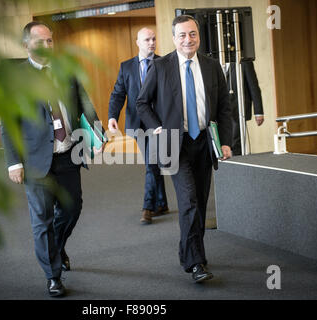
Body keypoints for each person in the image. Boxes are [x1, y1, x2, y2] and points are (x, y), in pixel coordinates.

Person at [1, 21, 103, 297]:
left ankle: (55, 248)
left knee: (72, 208)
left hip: (68, 154)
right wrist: (14, 162)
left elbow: (84, 104)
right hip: (35, 160)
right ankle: (53, 275)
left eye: (50, 41)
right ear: (26, 45)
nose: (47, 46)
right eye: (40, 42)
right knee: (42, 219)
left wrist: (98, 133)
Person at [136, 15, 232, 283]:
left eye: (192, 34)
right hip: (175, 145)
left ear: (198, 36)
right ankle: (196, 263)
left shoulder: (213, 67)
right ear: (174, 38)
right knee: (188, 201)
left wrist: (225, 141)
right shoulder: (161, 66)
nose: (188, 40)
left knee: (199, 203)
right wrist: (156, 127)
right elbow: (142, 103)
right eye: (182, 35)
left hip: (204, 142)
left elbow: (224, 107)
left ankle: (188, 252)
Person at [108, 27, 169, 225]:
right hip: (137, 123)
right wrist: (112, 116)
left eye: (153, 39)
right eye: (146, 40)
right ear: (137, 42)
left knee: (151, 163)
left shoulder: (164, 63)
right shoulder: (126, 67)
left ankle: (147, 207)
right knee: (152, 164)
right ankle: (161, 202)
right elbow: (118, 94)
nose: (151, 43)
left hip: (157, 124)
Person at [226, 60, 264, 155]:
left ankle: (237, 166)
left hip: (238, 111)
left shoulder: (244, 63)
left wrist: (258, 112)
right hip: (221, 113)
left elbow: (254, 87)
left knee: (235, 143)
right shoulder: (215, 62)